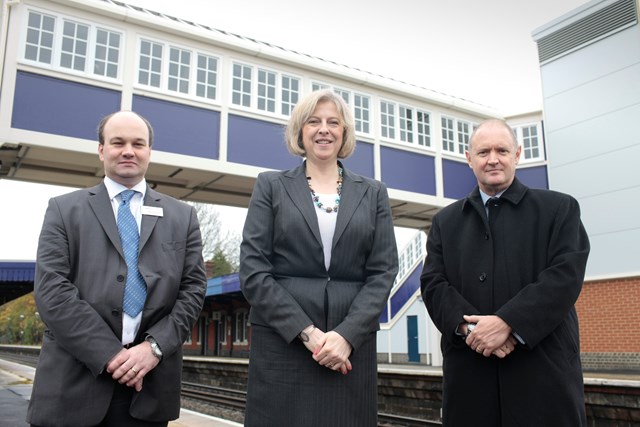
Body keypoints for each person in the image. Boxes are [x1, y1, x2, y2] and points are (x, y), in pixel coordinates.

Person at [27, 111, 207, 427]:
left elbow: (192, 292)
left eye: (138, 143)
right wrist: (111, 354)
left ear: (149, 151)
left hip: (148, 389)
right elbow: (52, 290)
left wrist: (153, 348)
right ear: (101, 150)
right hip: (71, 386)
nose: (128, 150)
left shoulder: (183, 217)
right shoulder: (64, 209)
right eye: (118, 142)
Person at [239, 89, 399, 426]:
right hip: (284, 344)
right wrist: (308, 333)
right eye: (314, 121)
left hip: (348, 349)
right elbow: (254, 272)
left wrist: (345, 336)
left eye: (333, 122)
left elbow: (383, 271)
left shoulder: (374, 193)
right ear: (300, 130)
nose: (323, 129)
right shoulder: (270, 186)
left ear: (344, 132)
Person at [420, 118, 590, 426]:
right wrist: (472, 330)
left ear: (518, 154)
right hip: (470, 383)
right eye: (483, 152)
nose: (493, 159)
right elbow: (433, 284)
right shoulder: (445, 222)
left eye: (502, 150)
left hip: (544, 380)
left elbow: (564, 276)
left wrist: (508, 323)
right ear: (469, 158)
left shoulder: (559, 209)